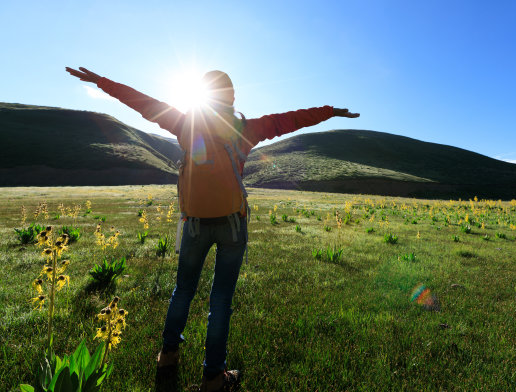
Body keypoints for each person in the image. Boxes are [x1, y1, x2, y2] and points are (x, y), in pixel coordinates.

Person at [66, 66, 359, 391]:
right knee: (220, 299)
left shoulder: (185, 124)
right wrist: (331, 112)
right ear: (232, 98)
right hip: (232, 225)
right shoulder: (247, 129)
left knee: (183, 291)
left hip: (194, 224)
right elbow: (291, 119)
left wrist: (101, 82)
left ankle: (167, 356)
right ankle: (213, 378)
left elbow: (142, 102)